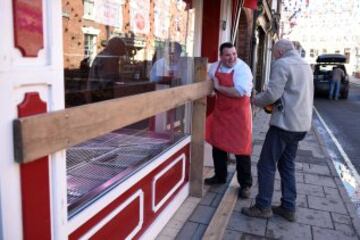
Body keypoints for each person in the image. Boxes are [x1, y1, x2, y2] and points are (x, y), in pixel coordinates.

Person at [241, 39, 314, 221]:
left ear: (280, 52)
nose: (273, 55)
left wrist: (255, 100)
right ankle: (288, 207)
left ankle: (263, 206)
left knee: (266, 164)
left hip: (284, 125)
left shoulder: (282, 64)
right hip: (300, 125)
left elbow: (272, 94)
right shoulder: (305, 65)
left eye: (273, 52)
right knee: (287, 165)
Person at [205, 42, 253, 199]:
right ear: (221, 56)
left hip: (239, 115)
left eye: (234, 54)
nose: (232, 57)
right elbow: (207, 75)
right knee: (218, 145)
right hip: (221, 113)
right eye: (227, 55)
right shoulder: (215, 67)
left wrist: (218, 88)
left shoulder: (242, 69)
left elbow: (239, 92)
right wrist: (211, 88)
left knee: (242, 150)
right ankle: (220, 176)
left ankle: (245, 184)